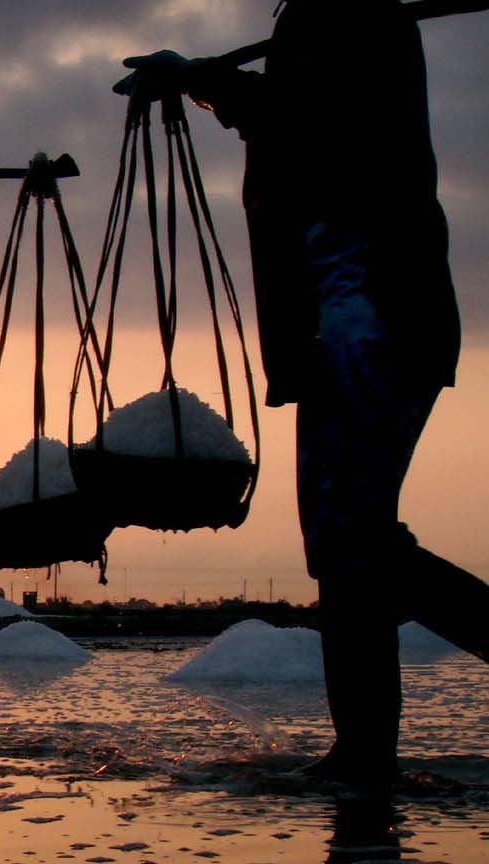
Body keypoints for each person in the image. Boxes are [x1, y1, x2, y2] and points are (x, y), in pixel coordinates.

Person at [118, 0, 489, 787]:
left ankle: (365, 751)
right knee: (344, 544)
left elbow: (312, 127)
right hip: (339, 326)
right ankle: (364, 753)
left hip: (374, 317)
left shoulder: (359, 18)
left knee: (353, 539)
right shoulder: (323, 18)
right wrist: (204, 83)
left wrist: (203, 82)